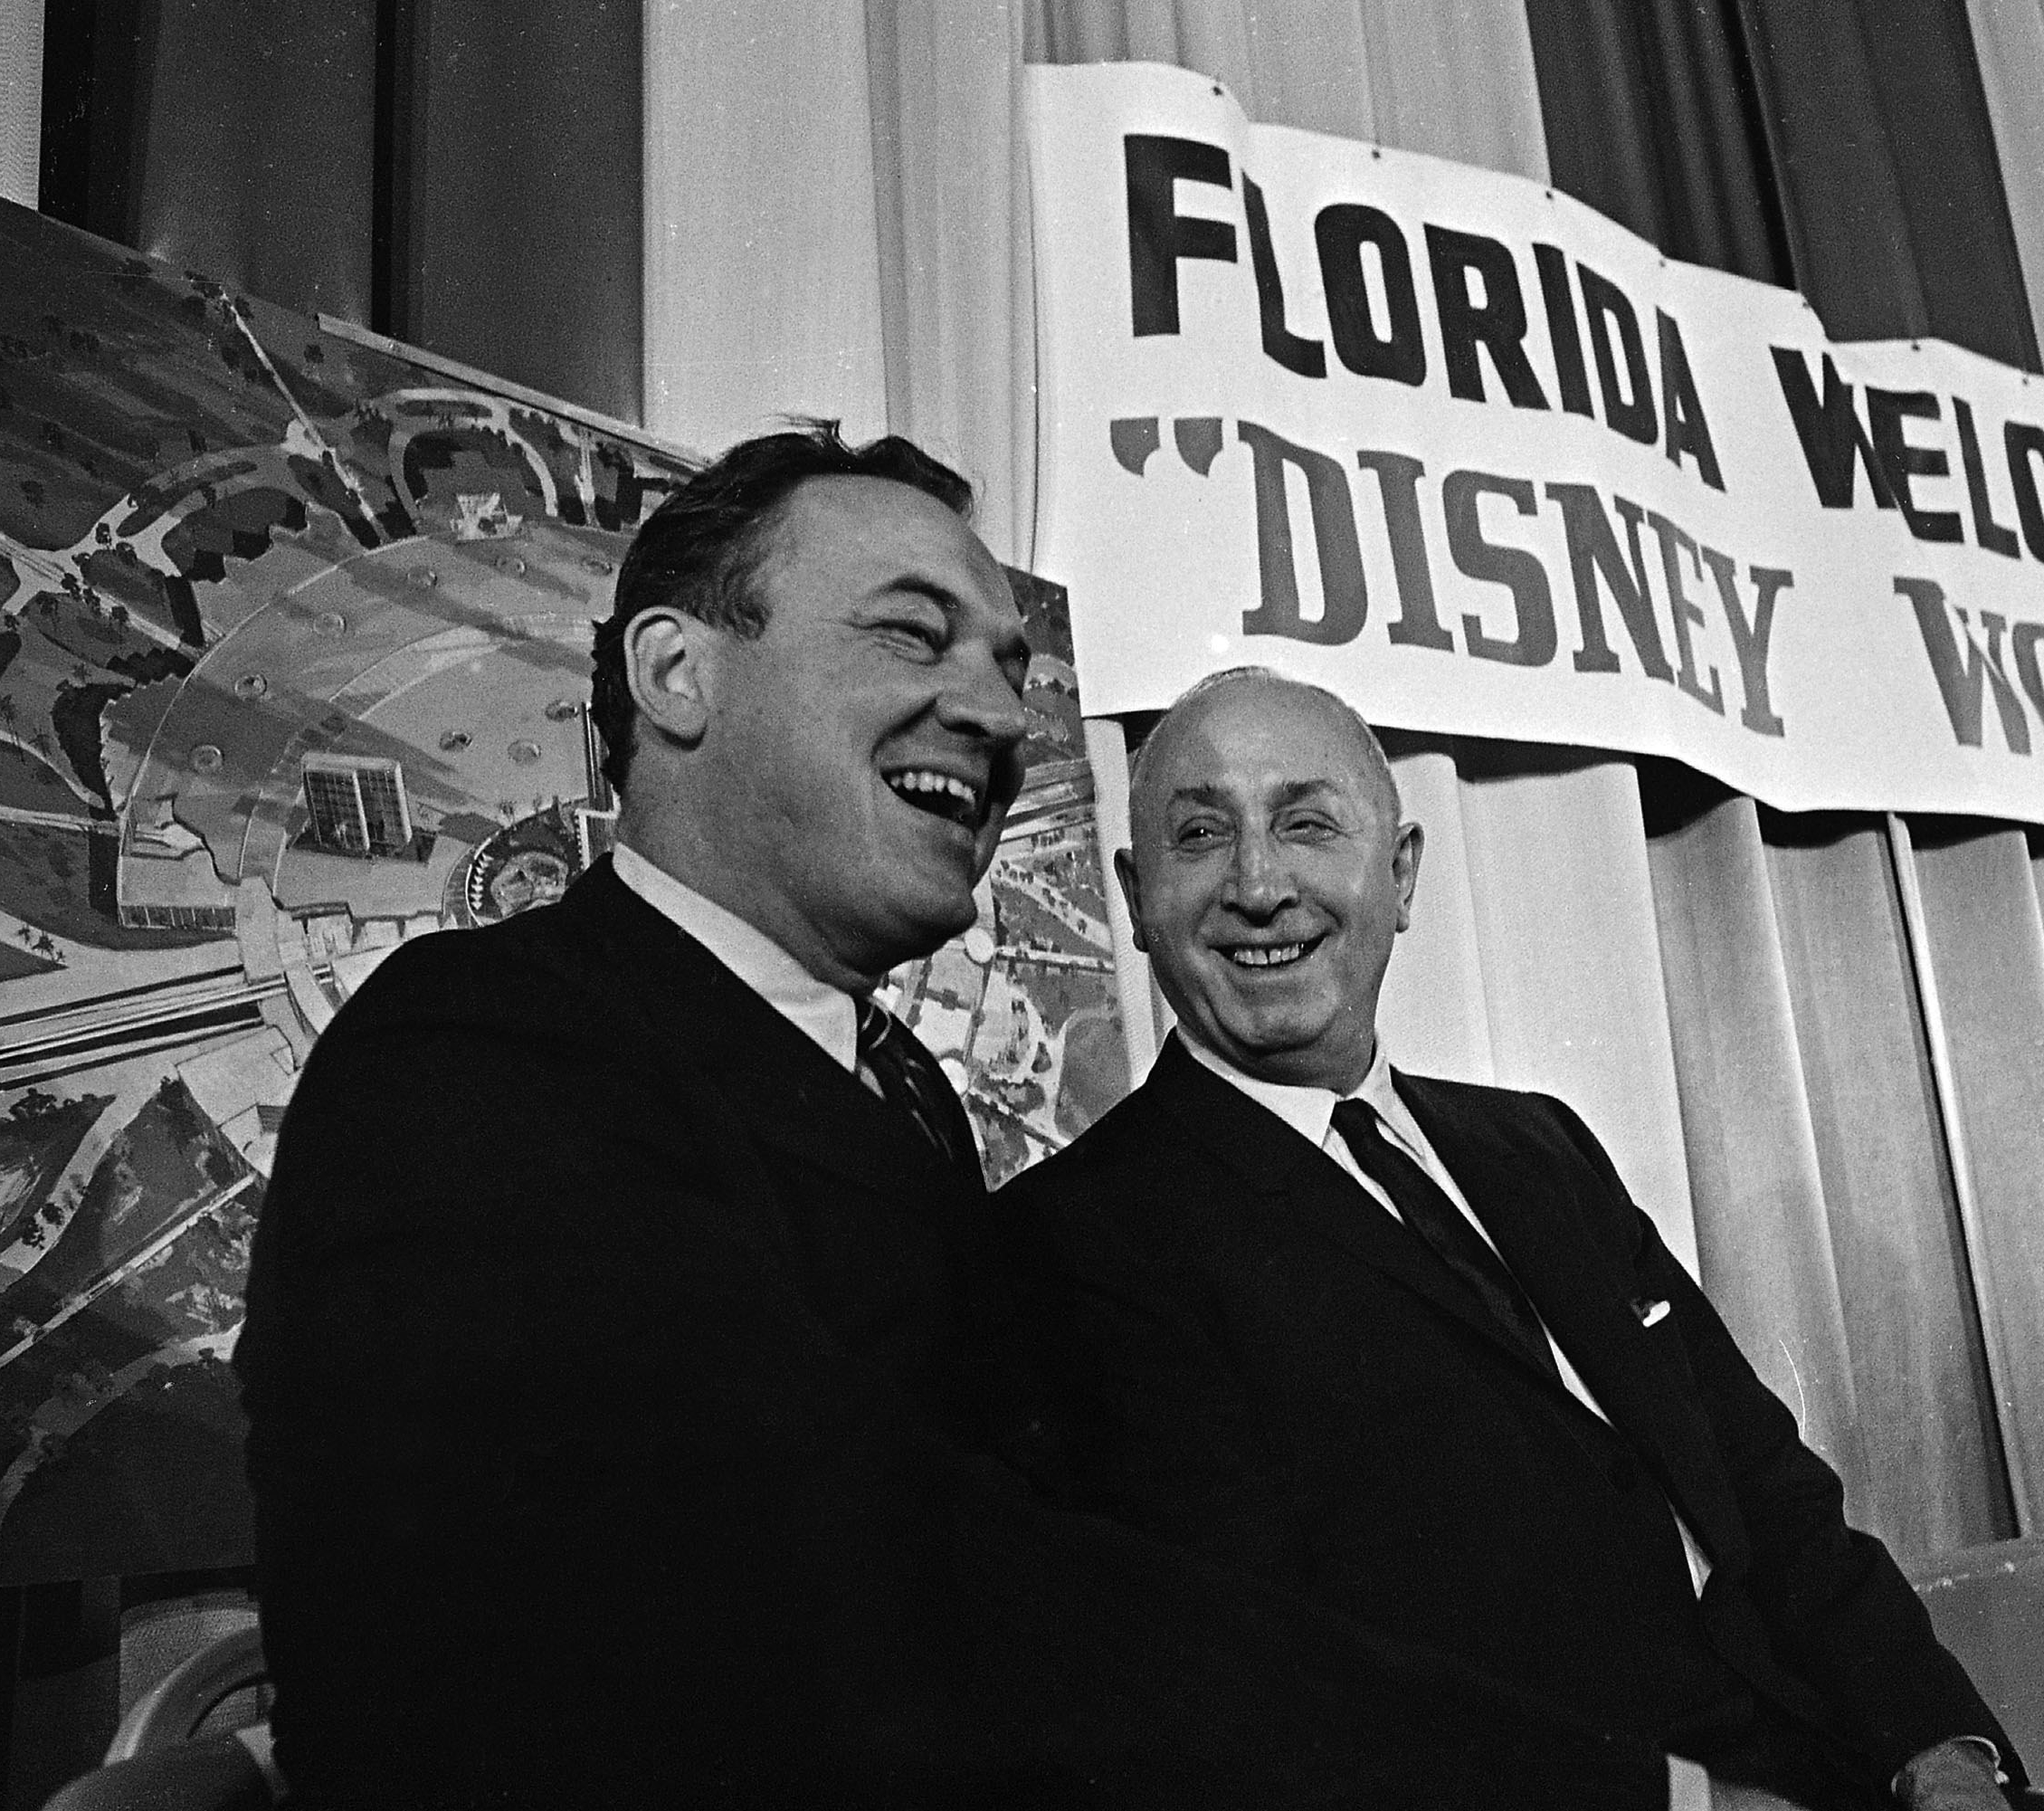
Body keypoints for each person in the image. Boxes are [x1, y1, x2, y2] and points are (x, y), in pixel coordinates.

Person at [236, 430, 1662, 1809]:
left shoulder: (894, 1090)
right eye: (914, 639)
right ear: (675, 673)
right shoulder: (478, 1051)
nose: (1000, 716)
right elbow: (880, 1602)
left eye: (1008, 666)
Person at [999, 666, 2025, 1811]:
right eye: (1200, 833)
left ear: (1400, 878)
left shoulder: (1539, 1149)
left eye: (1306, 825)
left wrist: (1942, 1750)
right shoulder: (1076, 1242)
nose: (1258, 883)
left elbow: (1768, 1493)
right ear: (1138, 898)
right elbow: (1269, 1694)